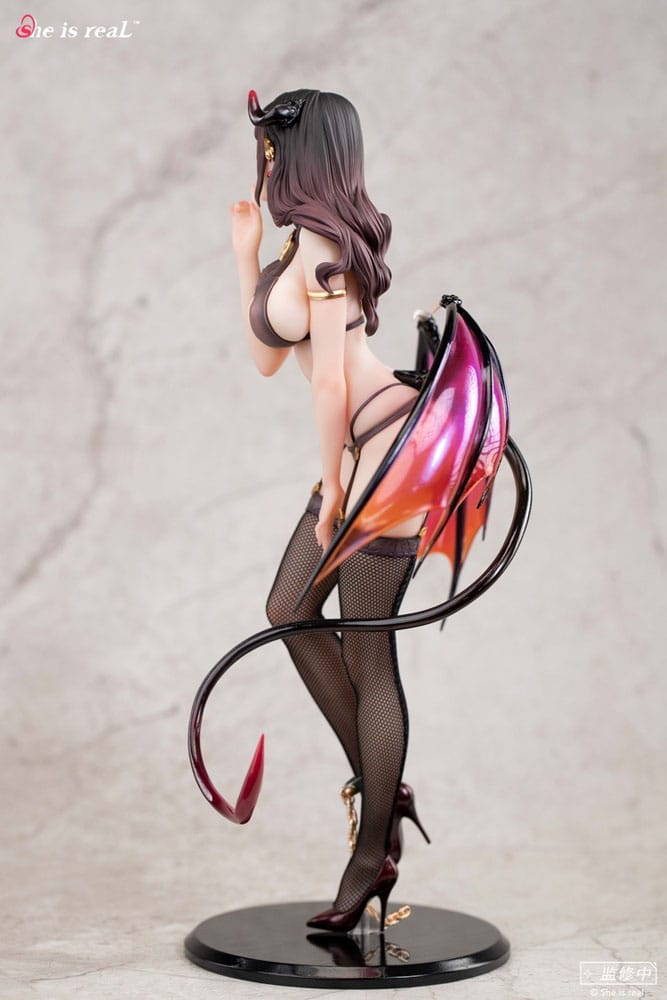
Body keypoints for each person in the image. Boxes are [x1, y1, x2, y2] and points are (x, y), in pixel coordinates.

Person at [230, 88, 430, 932]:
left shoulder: (330, 259)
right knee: (288, 610)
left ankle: (372, 846)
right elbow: (268, 363)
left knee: (368, 651)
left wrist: (335, 491)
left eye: (276, 147)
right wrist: (246, 257)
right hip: (354, 450)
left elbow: (332, 390)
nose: (266, 160)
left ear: (306, 154)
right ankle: (383, 795)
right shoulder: (300, 245)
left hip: (380, 450)